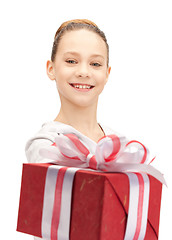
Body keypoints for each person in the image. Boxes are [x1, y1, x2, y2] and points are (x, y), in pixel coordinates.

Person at [25, 19, 124, 240]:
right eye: (71, 61)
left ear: (107, 74)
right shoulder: (45, 145)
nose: (83, 72)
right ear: (51, 69)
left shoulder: (118, 143)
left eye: (95, 64)